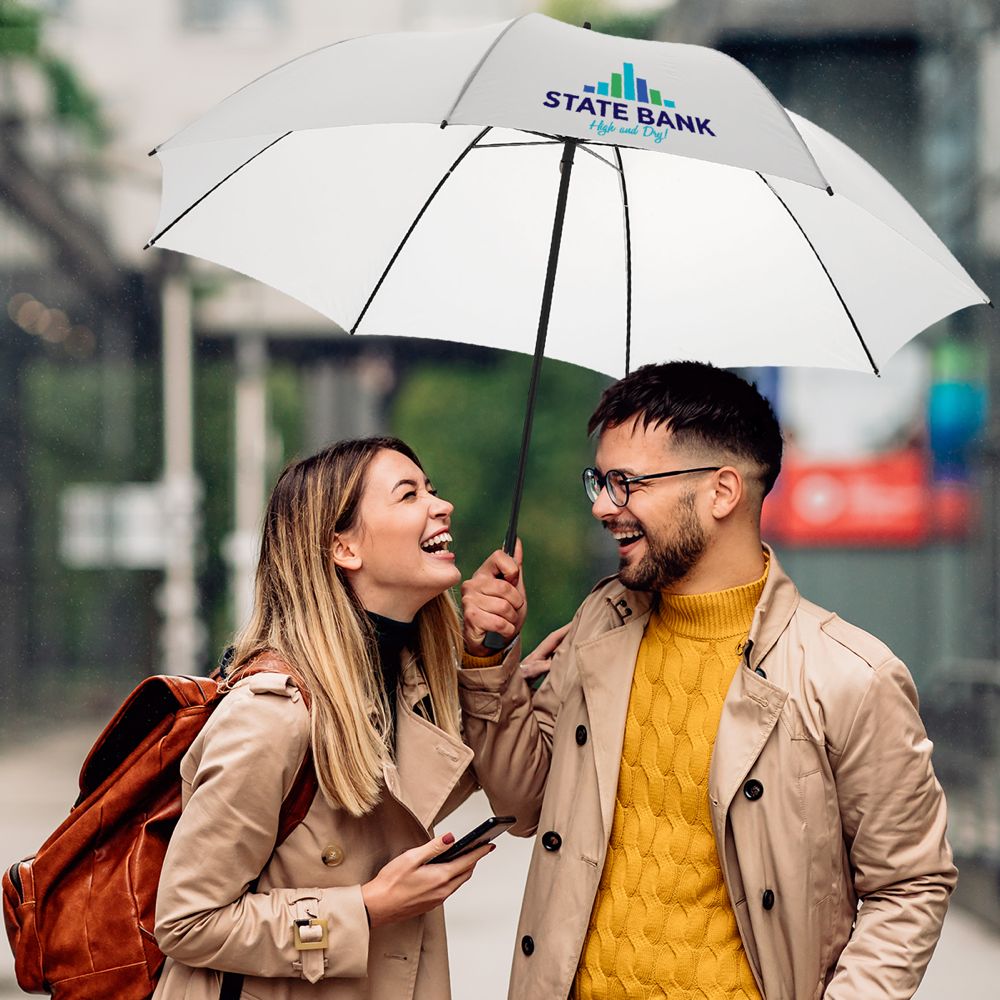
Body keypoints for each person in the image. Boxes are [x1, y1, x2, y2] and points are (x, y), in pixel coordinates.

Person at [458, 362, 955, 1000]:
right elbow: (523, 804)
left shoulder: (851, 677)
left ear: (722, 493)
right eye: (598, 481)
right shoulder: (597, 628)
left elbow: (909, 886)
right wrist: (487, 659)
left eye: (625, 483)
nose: (603, 506)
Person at [153, 437, 491, 1000]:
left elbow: (519, 792)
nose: (441, 504)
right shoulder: (271, 718)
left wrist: (493, 661)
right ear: (344, 548)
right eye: (409, 494)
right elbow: (186, 922)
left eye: (431, 489)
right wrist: (367, 908)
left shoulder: (409, 690)